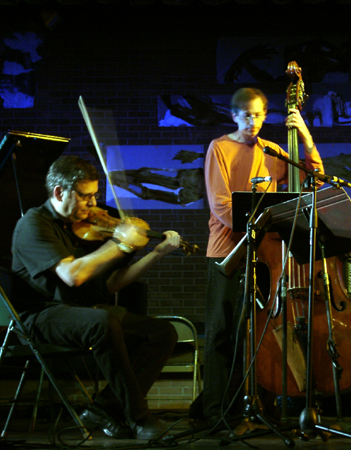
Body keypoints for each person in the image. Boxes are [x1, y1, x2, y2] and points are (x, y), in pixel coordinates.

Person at [10, 155, 181, 440]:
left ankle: (104, 407)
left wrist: (155, 254)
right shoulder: (33, 225)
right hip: (40, 316)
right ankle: (137, 415)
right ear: (59, 192)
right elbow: (71, 275)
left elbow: (112, 284)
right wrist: (120, 243)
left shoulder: (87, 226)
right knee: (102, 321)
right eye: (85, 197)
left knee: (162, 333)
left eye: (95, 195)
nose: (93, 205)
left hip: (83, 310)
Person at [197, 87, 324, 427]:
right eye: (246, 115)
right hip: (228, 251)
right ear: (234, 115)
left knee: (257, 335)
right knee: (223, 334)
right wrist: (259, 220)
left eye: (258, 115)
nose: (253, 121)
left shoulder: (272, 150)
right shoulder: (219, 148)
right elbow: (221, 207)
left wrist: (305, 134)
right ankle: (216, 414)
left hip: (266, 255)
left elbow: (311, 179)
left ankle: (257, 405)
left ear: (266, 115)